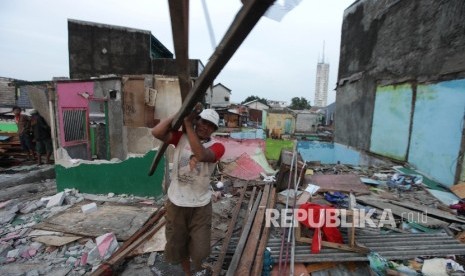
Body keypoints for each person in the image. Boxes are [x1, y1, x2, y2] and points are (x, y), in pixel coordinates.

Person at [151, 105, 225, 275]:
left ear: (214, 130)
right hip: (177, 202)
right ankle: (188, 273)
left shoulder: (218, 146)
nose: (206, 127)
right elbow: (156, 132)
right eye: (203, 122)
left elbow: (201, 155)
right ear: (197, 120)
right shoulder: (180, 138)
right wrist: (181, 114)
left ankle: (198, 268)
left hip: (201, 205)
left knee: (200, 248)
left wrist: (188, 125)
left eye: (211, 126)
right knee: (178, 244)